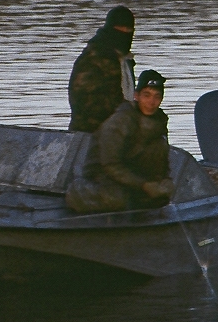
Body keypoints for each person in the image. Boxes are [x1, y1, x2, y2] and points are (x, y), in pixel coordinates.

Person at [64, 70, 175, 214]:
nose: (151, 102)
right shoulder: (119, 122)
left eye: (157, 97)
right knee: (118, 200)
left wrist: (164, 180)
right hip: (104, 178)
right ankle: (79, 192)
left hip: (134, 177)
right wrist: (144, 185)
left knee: (159, 199)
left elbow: (161, 158)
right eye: (146, 95)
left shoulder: (159, 121)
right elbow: (110, 164)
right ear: (136, 96)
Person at [68, 6, 137, 133]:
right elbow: (81, 103)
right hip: (89, 134)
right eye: (119, 30)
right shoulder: (92, 60)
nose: (124, 35)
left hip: (120, 131)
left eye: (128, 31)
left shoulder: (125, 60)